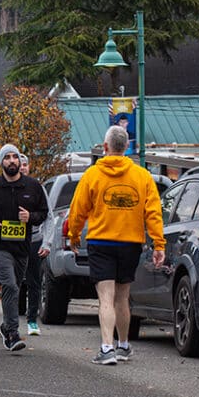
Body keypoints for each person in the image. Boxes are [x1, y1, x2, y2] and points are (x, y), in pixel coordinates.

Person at [66, 125, 164, 365]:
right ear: (127, 148)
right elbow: (153, 212)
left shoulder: (92, 175)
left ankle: (107, 348)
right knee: (122, 297)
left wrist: (73, 235)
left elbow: (78, 209)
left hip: (101, 240)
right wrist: (159, 243)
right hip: (130, 242)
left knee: (106, 298)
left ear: (105, 146)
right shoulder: (142, 176)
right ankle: (124, 345)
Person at [0, 144, 49, 352]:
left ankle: (5, 325)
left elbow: (43, 213)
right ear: (1, 162)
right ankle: (12, 333)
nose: (11, 161)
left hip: (22, 247)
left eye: (14, 157)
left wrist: (30, 218)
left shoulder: (33, 186)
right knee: (9, 285)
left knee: (14, 287)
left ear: (19, 161)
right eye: (6, 157)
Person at [17, 154, 49, 337]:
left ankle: (31, 321)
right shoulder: (4, 187)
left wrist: (47, 242)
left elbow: (47, 215)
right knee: (12, 282)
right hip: (11, 241)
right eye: (19, 164)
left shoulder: (37, 188)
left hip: (34, 240)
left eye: (25, 165)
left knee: (34, 281)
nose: (22, 167)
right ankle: (10, 321)